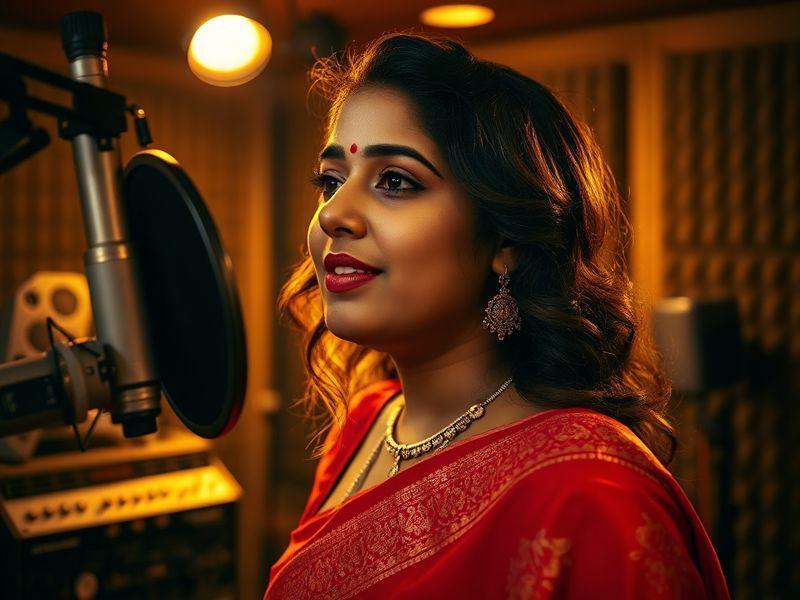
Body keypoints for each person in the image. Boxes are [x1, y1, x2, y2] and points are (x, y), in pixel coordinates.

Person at [265, 32, 729, 599]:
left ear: (505, 237)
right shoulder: (363, 424)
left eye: (395, 182)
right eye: (330, 181)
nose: (335, 213)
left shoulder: (593, 489)